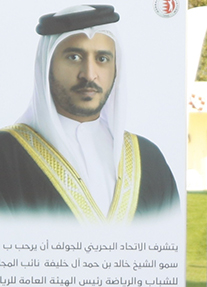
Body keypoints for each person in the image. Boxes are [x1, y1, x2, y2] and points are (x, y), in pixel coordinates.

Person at [0, 4, 179, 223]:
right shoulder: (6, 155)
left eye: (102, 59)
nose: (89, 74)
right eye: (74, 57)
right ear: (47, 66)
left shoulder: (149, 159)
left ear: (116, 69)